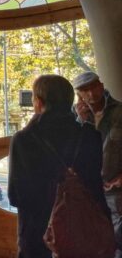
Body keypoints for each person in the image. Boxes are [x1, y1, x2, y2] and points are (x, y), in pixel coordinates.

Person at [8, 74, 107, 258]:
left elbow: (16, 196)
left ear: (39, 102)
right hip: (83, 233)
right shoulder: (90, 136)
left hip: (38, 236)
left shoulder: (24, 139)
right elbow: (96, 186)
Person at [72, 71, 122, 257]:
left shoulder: (119, 112)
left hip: (115, 191)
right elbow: (73, 152)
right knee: (91, 240)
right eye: (85, 90)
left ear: (101, 85)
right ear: (79, 94)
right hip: (87, 190)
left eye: (93, 86)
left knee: (118, 240)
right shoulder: (73, 118)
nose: (91, 93)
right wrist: (81, 121)